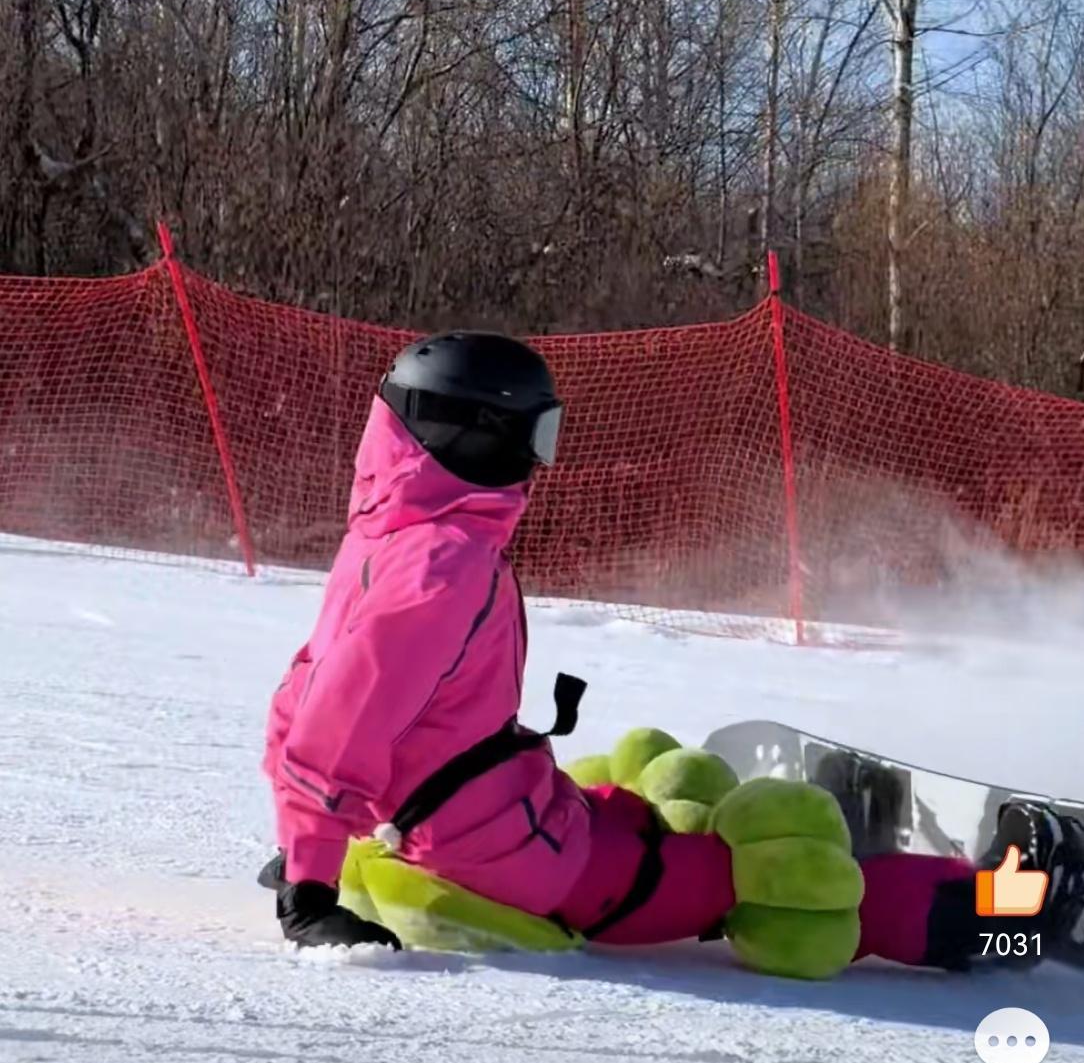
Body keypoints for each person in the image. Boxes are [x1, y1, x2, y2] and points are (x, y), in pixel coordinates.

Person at [262, 330, 1083, 970]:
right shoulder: (442, 565)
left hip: (493, 817)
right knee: (767, 886)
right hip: (516, 858)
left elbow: (304, 695)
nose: (538, 462)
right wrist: (310, 884)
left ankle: (702, 827)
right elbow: (338, 724)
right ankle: (1004, 910)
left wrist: (310, 846)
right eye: (534, 435)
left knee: (632, 803)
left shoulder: (389, 535)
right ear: (477, 433)